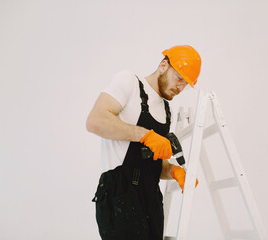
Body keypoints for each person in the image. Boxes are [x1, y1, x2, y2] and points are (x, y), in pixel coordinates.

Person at [86, 45, 201, 240]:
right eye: (179, 78)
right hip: (121, 192)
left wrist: (172, 170)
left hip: (151, 197)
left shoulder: (166, 111)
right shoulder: (129, 82)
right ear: (164, 65)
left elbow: (152, 163)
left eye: (186, 84)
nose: (180, 87)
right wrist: (146, 135)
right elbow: (95, 121)